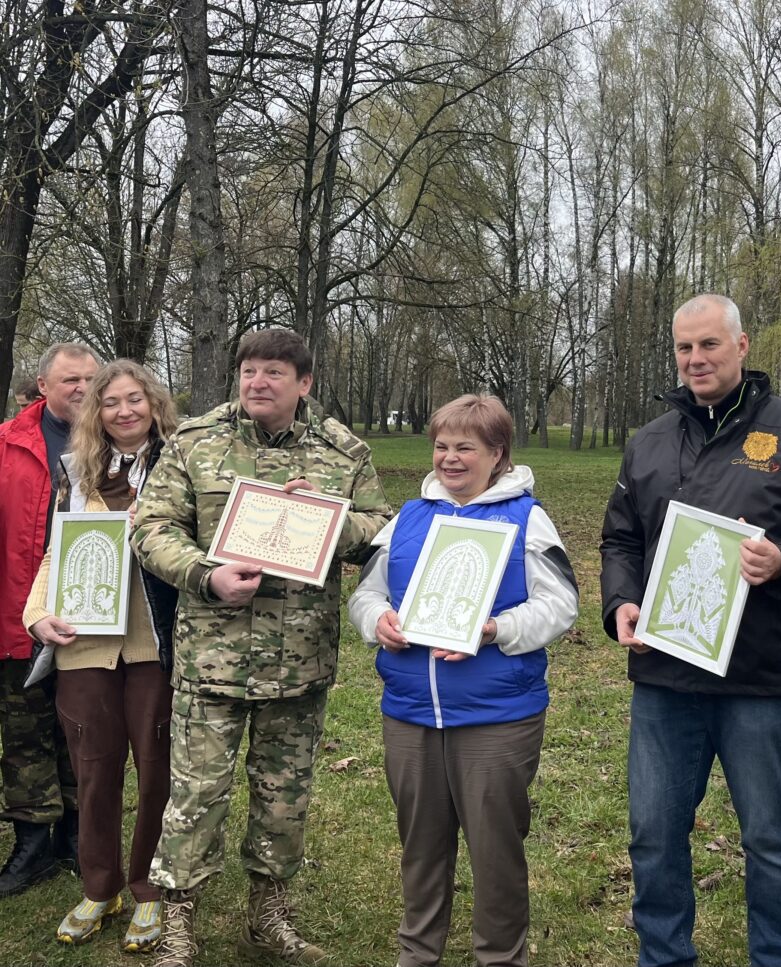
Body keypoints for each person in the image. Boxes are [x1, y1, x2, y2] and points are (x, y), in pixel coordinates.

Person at [600, 294, 781, 967]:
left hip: (760, 678)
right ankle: (664, 956)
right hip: (665, 675)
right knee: (654, 834)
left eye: (709, 344)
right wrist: (622, 600)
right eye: (684, 347)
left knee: (769, 838)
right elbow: (620, 539)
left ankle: (776, 958)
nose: (695, 359)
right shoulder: (649, 441)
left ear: (741, 346)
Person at [132, 328, 392, 967]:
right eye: (249, 370)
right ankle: (178, 922)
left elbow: (382, 529)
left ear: (304, 383)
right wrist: (206, 574)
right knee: (196, 796)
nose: (258, 382)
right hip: (212, 659)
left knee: (283, 797)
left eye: (274, 372)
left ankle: (267, 917)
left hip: (297, 661)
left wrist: (327, 518)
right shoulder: (196, 442)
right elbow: (151, 527)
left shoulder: (341, 452)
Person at [348, 394, 579, 967]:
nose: (450, 458)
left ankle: (499, 958)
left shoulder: (527, 517)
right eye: (442, 446)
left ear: (497, 454)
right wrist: (377, 621)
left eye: (465, 448)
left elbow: (561, 605)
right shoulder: (408, 516)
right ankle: (417, 954)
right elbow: (367, 593)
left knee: (495, 852)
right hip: (410, 711)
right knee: (420, 847)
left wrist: (495, 629)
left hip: (496, 715)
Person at [22, 359, 178, 950]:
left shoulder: (179, 466)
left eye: (134, 399)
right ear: (96, 413)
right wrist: (36, 614)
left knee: (157, 766)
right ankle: (99, 887)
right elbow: (55, 552)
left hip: (152, 644)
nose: (124, 411)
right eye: (110, 402)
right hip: (84, 645)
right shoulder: (78, 472)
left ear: (153, 404)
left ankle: (149, 888)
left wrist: (156, 528)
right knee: (93, 770)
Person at [0, 342, 100, 896]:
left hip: (92, 615)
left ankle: (78, 836)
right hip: (18, 615)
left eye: (90, 378)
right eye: (70, 380)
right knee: (25, 732)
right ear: (43, 386)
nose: (82, 388)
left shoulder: (118, 442)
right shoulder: (8, 444)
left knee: (81, 728)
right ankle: (33, 842)